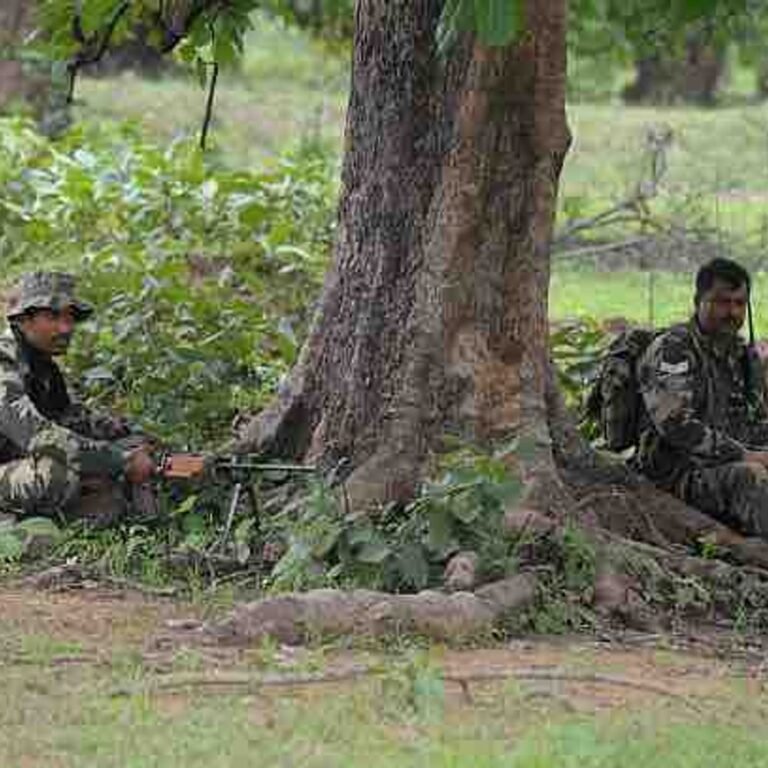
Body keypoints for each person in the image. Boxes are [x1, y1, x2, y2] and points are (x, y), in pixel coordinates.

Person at [0, 271, 156, 526]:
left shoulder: (42, 365)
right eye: (52, 317)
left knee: (118, 449)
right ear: (22, 320)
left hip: (11, 464)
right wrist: (119, 459)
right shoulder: (4, 361)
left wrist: (134, 436)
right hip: (16, 461)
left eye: (70, 317)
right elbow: (38, 436)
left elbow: (75, 419)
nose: (66, 328)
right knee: (55, 474)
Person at [637, 257, 768, 538]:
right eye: (721, 302)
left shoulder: (744, 357)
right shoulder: (673, 350)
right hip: (677, 475)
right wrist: (745, 455)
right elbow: (676, 427)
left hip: (726, 465)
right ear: (699, 301)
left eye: (739, 303)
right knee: (751, 477)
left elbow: (756, 420)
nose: (732, 312)